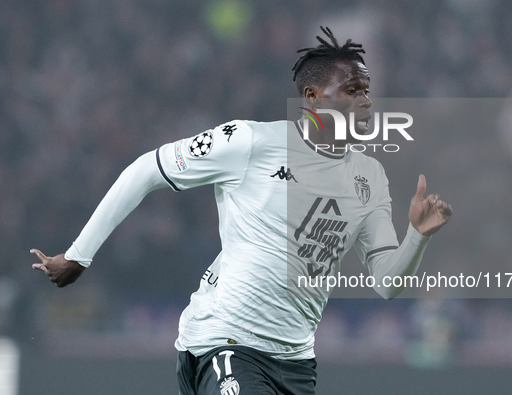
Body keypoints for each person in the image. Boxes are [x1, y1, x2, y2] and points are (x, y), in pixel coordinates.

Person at [31, 27, 452, 395]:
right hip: (225, 341)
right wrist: (78, 255)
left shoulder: (369, 176)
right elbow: (147, 169)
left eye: (367, 90)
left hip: (295, 361)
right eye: (352, 90)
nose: (365, 101)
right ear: (313, 97)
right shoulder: (250, 141)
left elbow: (387, 283)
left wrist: (416, 235)